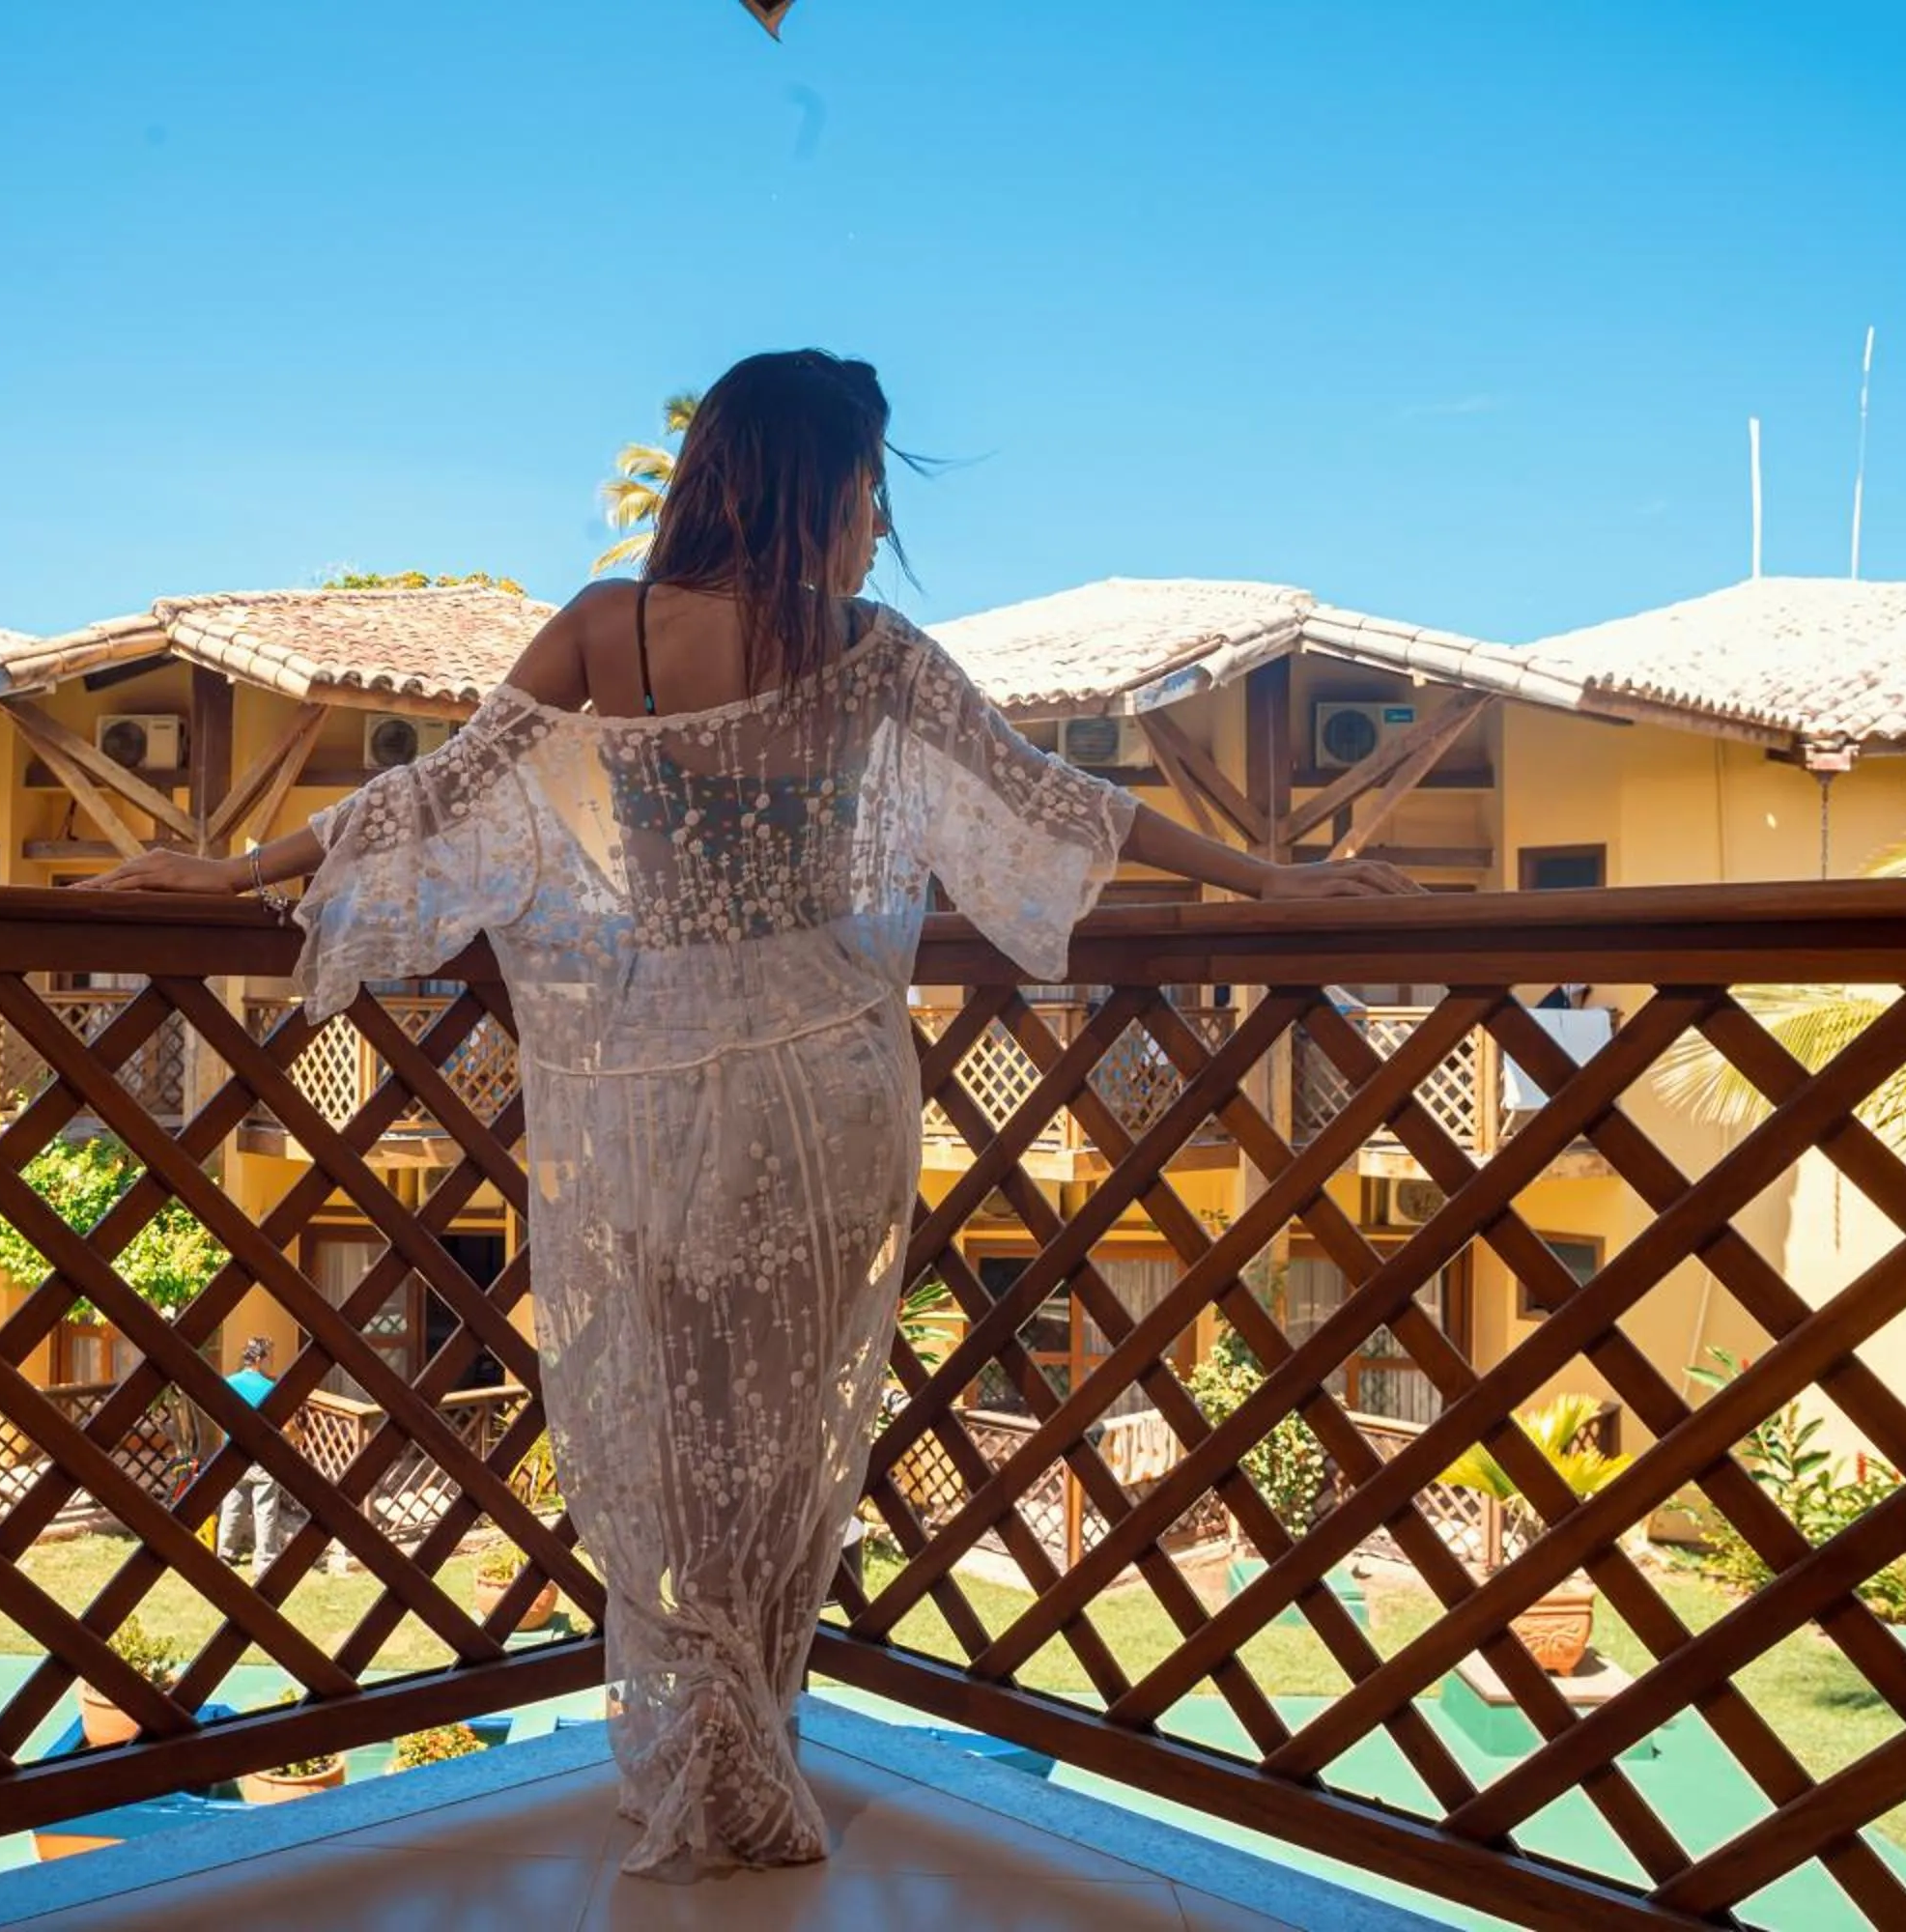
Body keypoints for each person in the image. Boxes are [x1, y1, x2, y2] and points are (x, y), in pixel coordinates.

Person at [83, 350, 1416, 1878]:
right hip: (831, 1085)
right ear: (816, 482)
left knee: (670, 1416)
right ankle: (747, 1735)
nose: (875, 519)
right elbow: (1056, 803)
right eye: (866, 486)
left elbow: (435, 798)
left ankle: (716, 1745)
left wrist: (235, 871)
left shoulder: (613, 629)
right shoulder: (871, 650)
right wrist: (1273, 879)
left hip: (659, 1086)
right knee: (788, 1433)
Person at [216, 1336, 285, 1570]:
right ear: (260, 1359)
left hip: (233, 1453)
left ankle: (225, 1555)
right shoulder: (270, 1389)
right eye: (269, 1358)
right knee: (265, 1510)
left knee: (232, 1506)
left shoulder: (228, 1383)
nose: (271, 1363)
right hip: (263, 1457)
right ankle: (264, 1560)